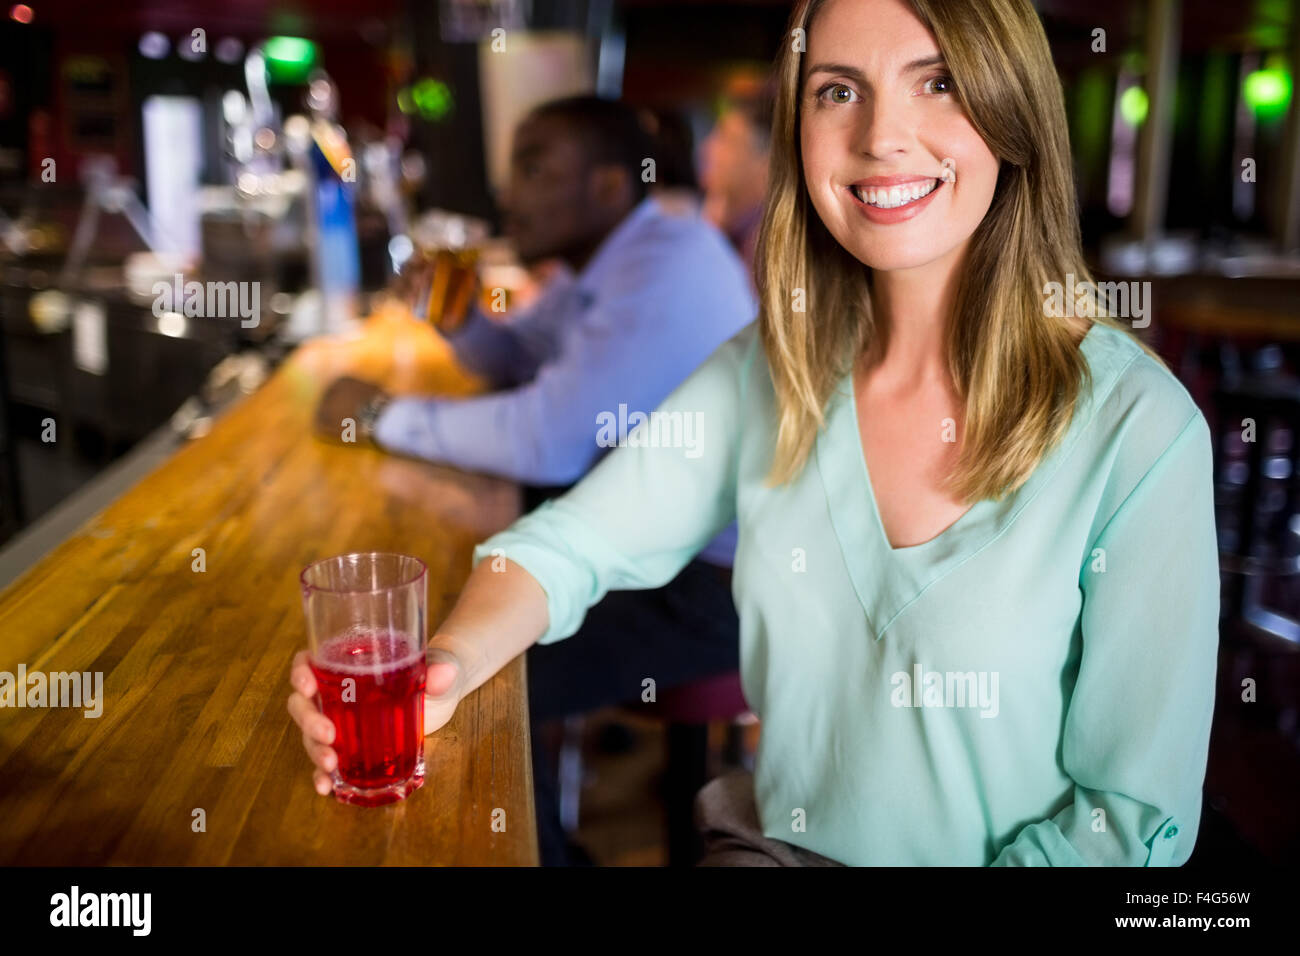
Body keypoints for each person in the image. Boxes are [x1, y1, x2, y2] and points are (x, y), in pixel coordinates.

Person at [291, 0, 1220, 866]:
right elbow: (568, 543)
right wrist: (443, 670)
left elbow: (1131, 822)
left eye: (938, 81)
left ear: (1015, 111)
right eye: (838, 91)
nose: (881, 137)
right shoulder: (772, 367)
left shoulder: (1137, 428)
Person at [308, 95, 755, 865]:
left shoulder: (665, 265)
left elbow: (547, 440)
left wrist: (381, 414)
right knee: (465, 617)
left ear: (610, 187)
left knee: (491, 688)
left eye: (533, 168)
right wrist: (458, 319)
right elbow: (516, 361)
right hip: (644, 540)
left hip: (714, 589)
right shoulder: (602, 264)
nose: (506, 192)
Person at [699, 85, 773, 275]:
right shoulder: (728, 228)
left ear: (766, 164)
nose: (708, 149)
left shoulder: (767, 250)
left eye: (727, 140)